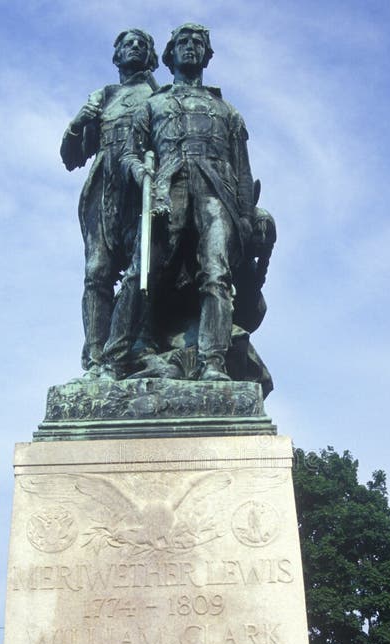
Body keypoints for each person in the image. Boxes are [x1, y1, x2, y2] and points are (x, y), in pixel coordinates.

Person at [103, 23, 256, 382]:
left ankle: (213, 362)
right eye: (183, 42)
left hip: (216, 193)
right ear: (170, 56)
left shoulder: (227, 111)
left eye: (198, 43)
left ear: (206, 55)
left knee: (216, 274)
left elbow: (243, 172)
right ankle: (113, 361)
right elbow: (129, 154)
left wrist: (246, 219)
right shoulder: (153, 105)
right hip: (167, 189)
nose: (191, 47)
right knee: (140, 272)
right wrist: (140, 171)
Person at [60, 29, 158, 377]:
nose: (135, 47)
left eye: (142, 44)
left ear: (151, 57)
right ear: (116, 55)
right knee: (96, 273)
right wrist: (78, 123)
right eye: (127, 44)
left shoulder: (158, 96)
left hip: (140, 187)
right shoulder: (104, 97)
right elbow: (71, 158)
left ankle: (136, 346)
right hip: (104, 190)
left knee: (142, 269)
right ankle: (95, 358)